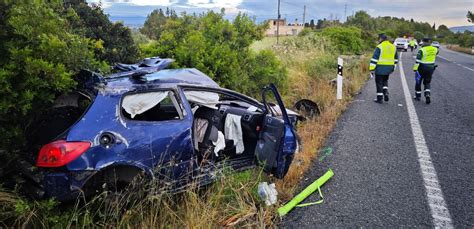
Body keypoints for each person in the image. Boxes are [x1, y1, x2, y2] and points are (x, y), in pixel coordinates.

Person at [369, 33, 399, 103]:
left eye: (378, 39)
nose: (378, 40)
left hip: (380, 67)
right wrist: (394, 67)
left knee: (379, 82)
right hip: (389, 68)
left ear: (381, 39)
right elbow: (396, 59)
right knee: (385, 80)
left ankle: (380, 99)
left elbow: (374, 59)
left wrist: (371, 69)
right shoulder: (393, 46)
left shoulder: (379, 47)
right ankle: (385, 92)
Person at [413, 37, 438, 104]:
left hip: (422, 67)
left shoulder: (422, 50)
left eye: (422, 42)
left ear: (424, 42)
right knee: (427, 82)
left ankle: (418, 96)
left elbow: (417, 60)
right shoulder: (435, 49)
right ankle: (427, 94)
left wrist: (415, 69)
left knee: (418, 81)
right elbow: (436, 53)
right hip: (431, 68)